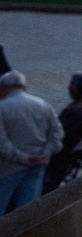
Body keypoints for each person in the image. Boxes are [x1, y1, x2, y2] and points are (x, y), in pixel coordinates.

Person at [0, 72, 62, 213]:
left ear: (3, 87)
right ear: (23, 86)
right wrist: (45, 154)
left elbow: (2, 143)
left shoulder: (2, 108)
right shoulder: (43, 105)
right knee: (29, 213)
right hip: (37, 166)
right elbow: (56, 135)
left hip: (8, 168)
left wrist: (23, 158)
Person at [47, 74, 82, 194]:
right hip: (69, 151)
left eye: (71, 84)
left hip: (61, 158)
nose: (68, 87)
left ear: (76, 88)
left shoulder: (76, 113)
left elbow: (58, 135)